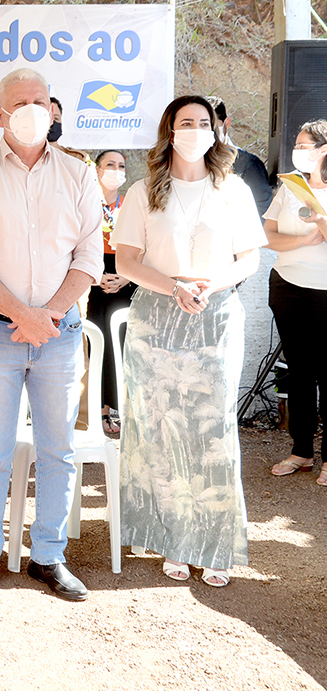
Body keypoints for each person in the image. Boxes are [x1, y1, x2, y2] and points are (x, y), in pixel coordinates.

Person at [0, 67, 102, 602]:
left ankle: (50, 556)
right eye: (21, 101)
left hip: (60, 332)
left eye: (41, 99)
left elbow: (88, 257)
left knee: (58, 448)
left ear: (54, 109)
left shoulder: (79, 175)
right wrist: (22, 315)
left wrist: (48, 316)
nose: (34, 108)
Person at [112, 95, 265, 588]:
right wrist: (173, 286)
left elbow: (250, 260)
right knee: (160, 428)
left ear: (216, 131)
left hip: (216, 316)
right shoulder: (144, 191)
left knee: (212, 430)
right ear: (170, 131)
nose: (196, 130)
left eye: (204, 122)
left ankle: (214, 543)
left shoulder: (234, 189)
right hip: (157, 316)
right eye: (186, 122)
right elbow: (126, 262)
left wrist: (209, 285)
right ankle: (174, 537)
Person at [262, 119, 327, 486]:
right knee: (298, 373)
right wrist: (302, 242)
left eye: (306, 145)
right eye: (297, 144)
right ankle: (301, 451)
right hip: (287, 286)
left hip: (325, 293)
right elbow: (268, 235)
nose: (298, 150)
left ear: (324, 150)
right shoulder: (289, 186)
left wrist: (320, 218)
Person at [84, 150, 136, 435]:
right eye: (109, 165)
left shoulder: (130, 205)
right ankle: (98, 411)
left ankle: (121, 409)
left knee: (124, 344)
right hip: (95, 280)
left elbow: (144, 248)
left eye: (121, 166)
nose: (116, 170)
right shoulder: (85, 203)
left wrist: (125, 278)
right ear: (97, 170)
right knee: (98, 344)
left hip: (125, 280)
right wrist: (97, 277)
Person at [208, 96, 272, 219]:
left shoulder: (248, 165)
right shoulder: (190, 163)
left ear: (227, 123)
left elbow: (263, 215)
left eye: (211, 125)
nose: (207, 131)